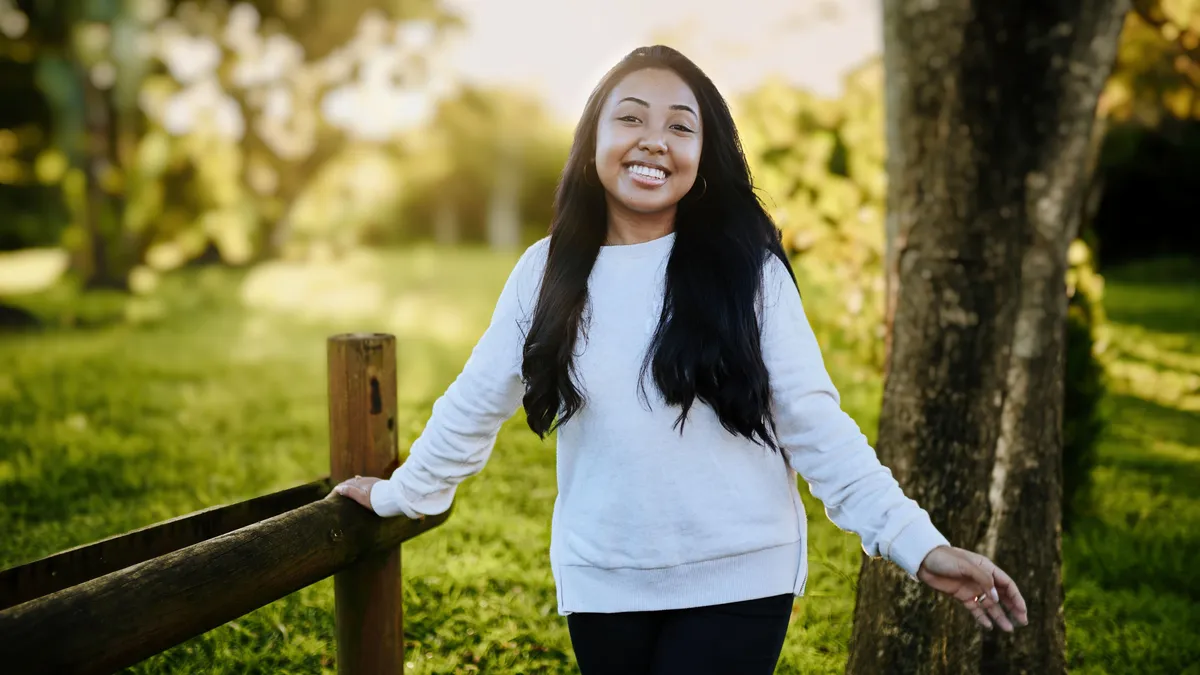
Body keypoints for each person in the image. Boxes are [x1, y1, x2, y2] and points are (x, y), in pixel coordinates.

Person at [332, 45, 1029, 674]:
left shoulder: (748, 273)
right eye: (630, 118)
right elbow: (476, 400)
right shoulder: (545, 273)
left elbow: (816, 427)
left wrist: (919, 544)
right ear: (594, 140)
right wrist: (402, 494)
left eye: (680, 126)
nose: (653, 142)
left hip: (739, 581)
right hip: (603, 583)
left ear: (705, 154)